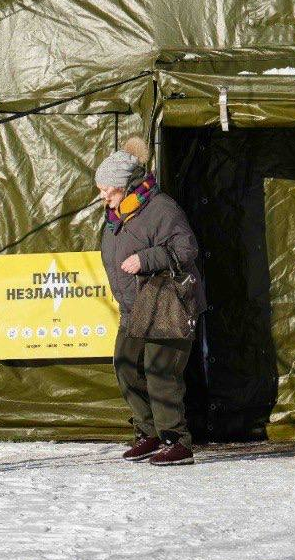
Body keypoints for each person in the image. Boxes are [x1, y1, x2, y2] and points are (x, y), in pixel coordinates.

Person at [95, 137, 206, 466]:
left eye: (108, 190)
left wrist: (147, 259)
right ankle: (149, 433)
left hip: (167, 303)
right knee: (126, 367)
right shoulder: (119, 215)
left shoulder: (161, 209)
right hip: (134, 306)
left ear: (127, 186)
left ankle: (177, 441)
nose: (103, 197)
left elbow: (186, 250)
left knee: (160, 372)